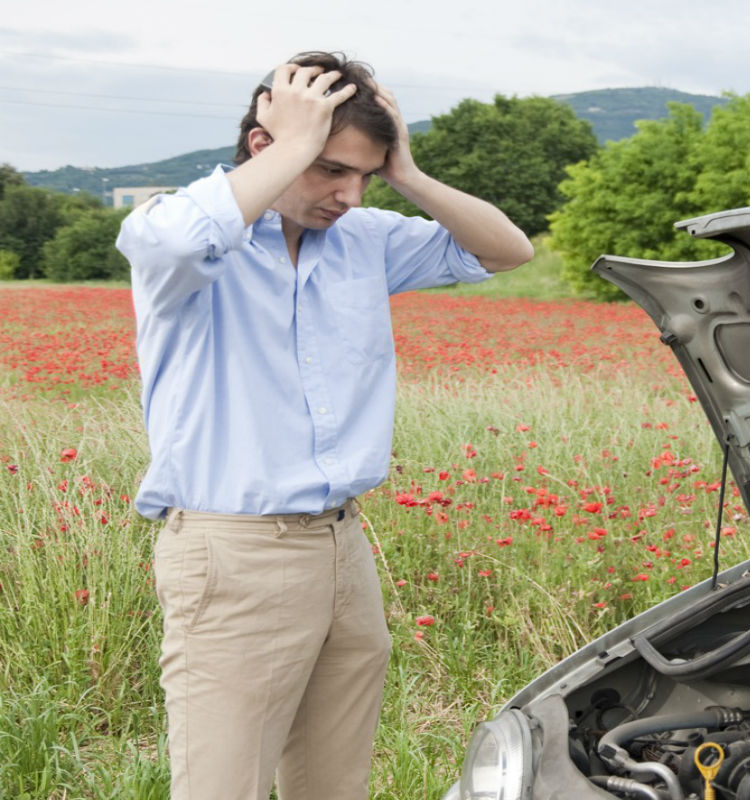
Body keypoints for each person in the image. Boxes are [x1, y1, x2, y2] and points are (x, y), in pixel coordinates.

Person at [116, 51, 533, 800]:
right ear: (263, 146)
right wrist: (297, 144)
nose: (347, 193)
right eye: (329, 169)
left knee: (335, 783)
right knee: (222, 787)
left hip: (342, 544)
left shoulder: (365, 239)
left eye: (364, 175)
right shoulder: (189, 240)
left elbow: (507, 251)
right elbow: (173, 240)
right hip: (234, 551)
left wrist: (406, 174)